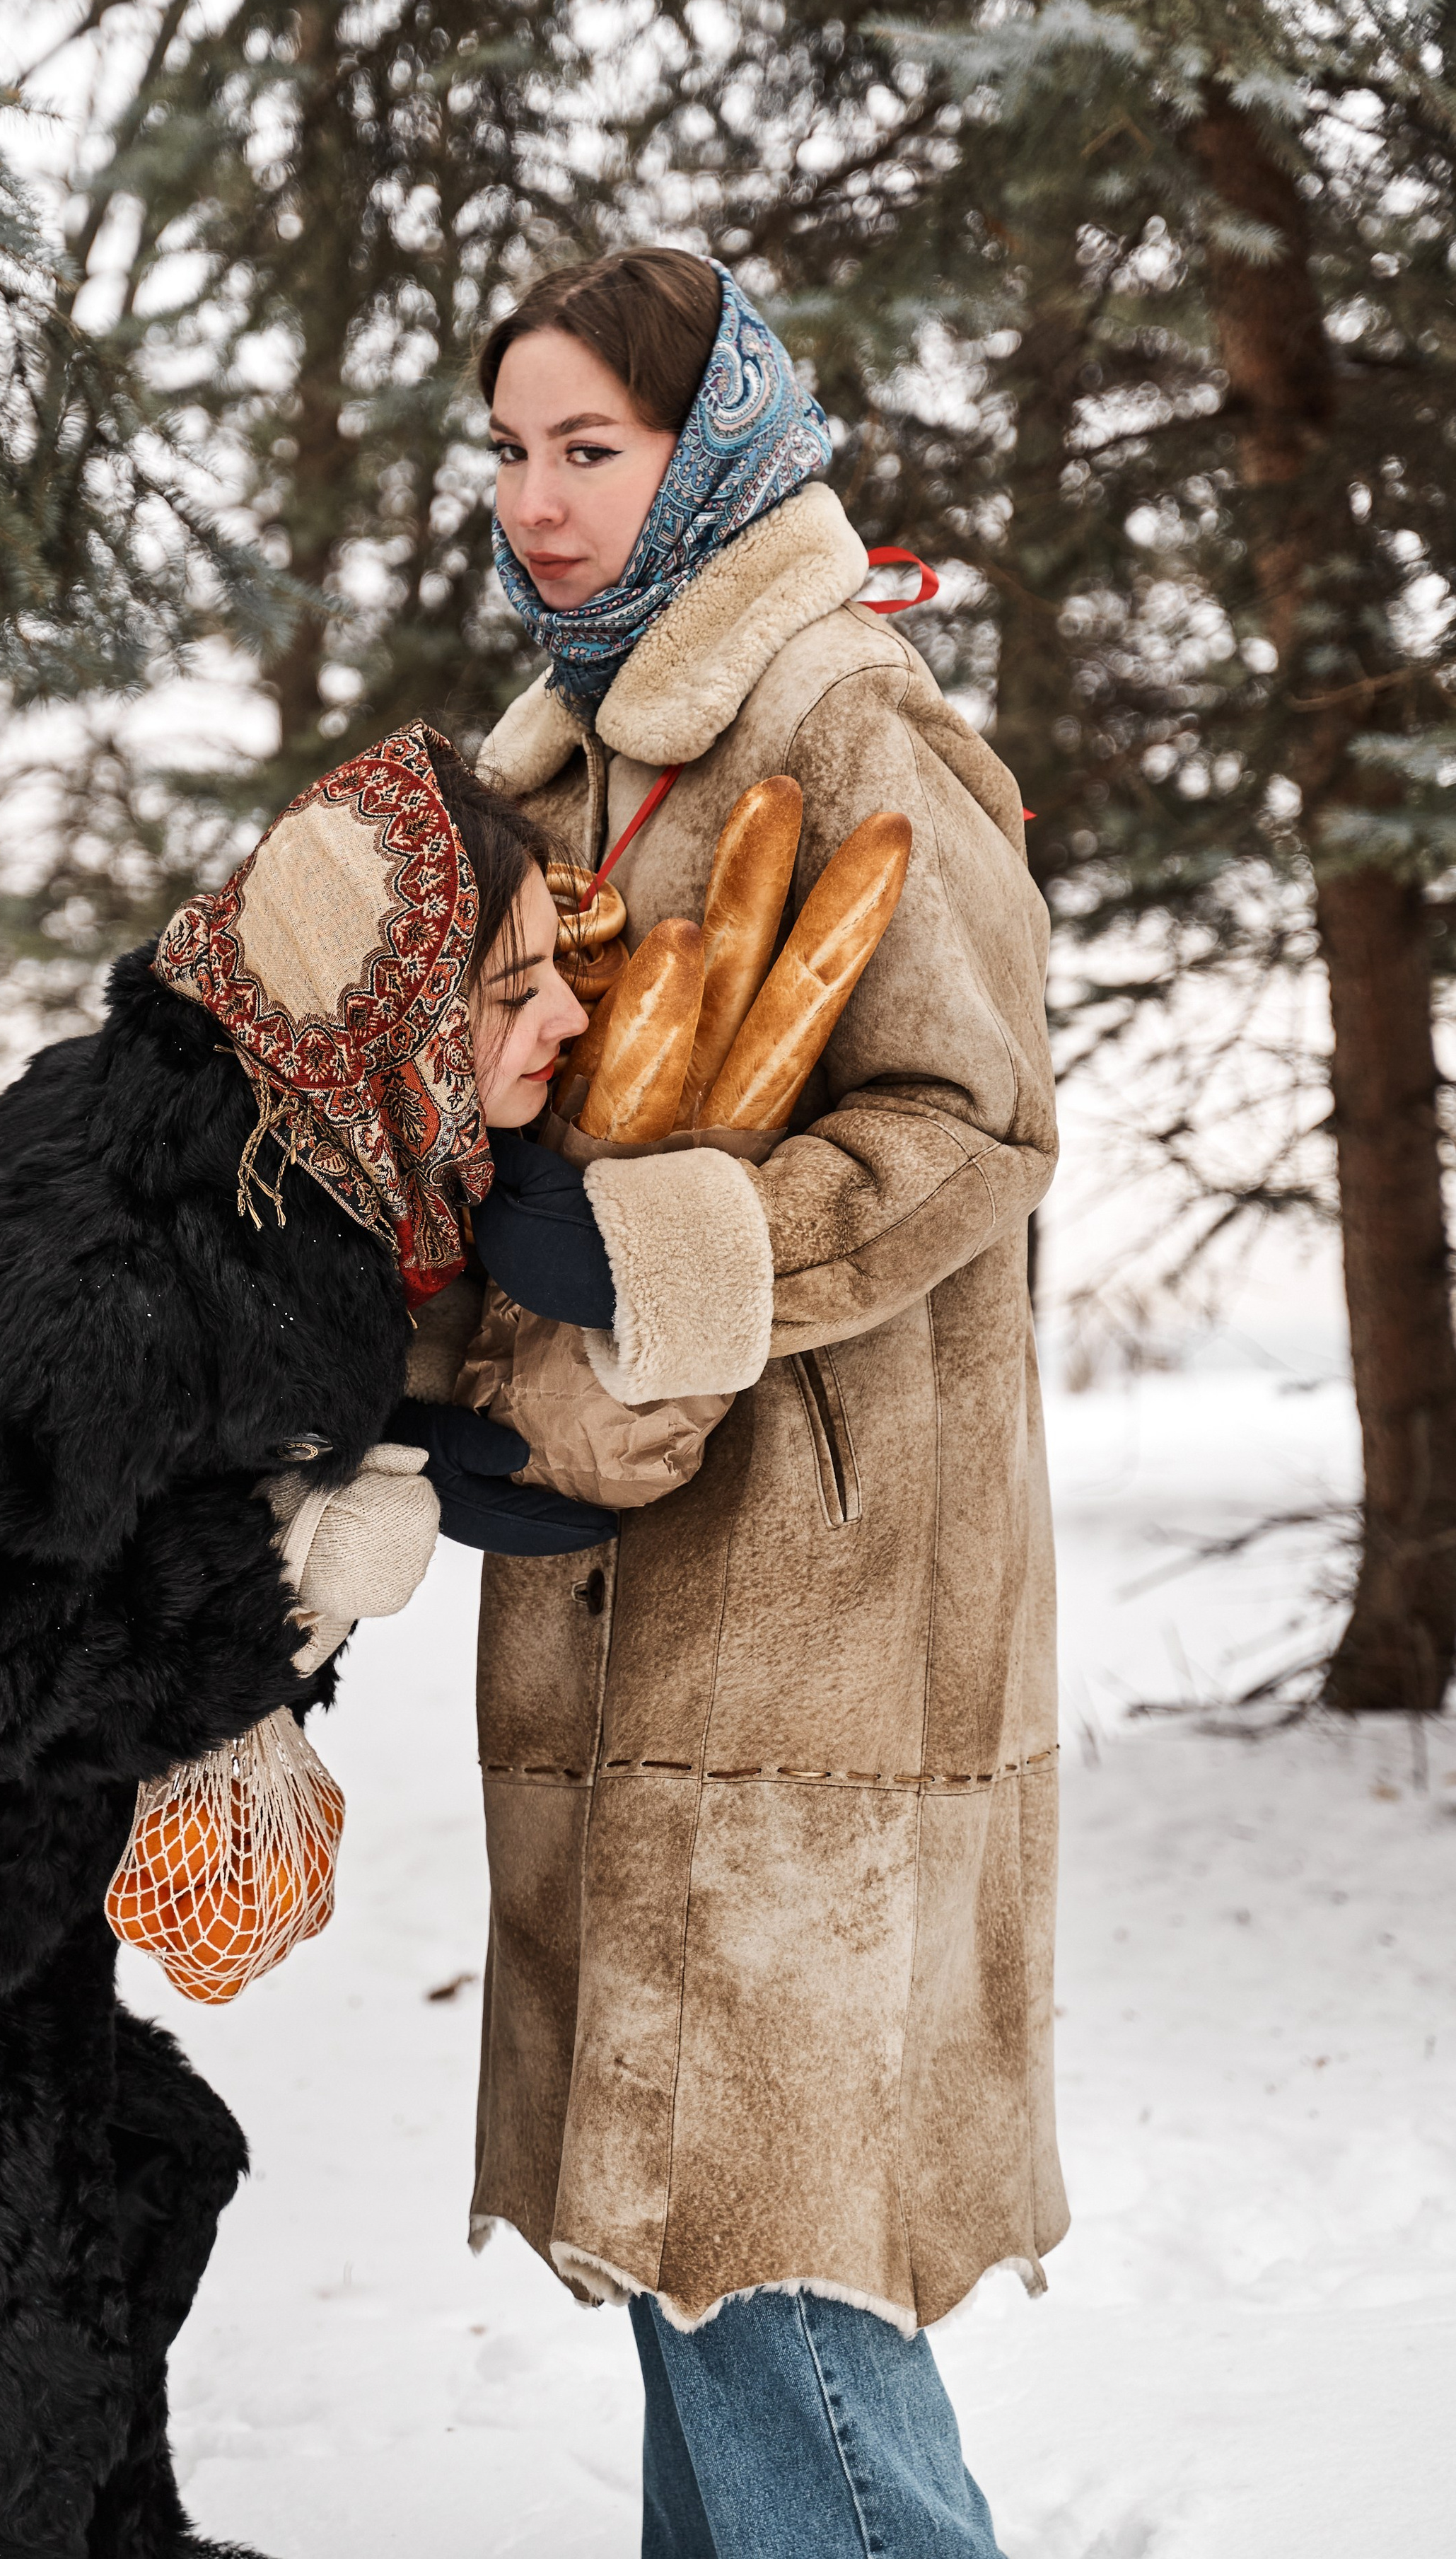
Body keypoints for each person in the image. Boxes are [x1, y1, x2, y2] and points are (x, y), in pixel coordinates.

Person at [0, 721, 601, 2558]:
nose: (554, 1028)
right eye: (514, 986)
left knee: (114, 2189)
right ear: (382, 998)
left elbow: (75, 1529)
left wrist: (306, 1546)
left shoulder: (266, 1177)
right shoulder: (135, 1241)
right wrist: (267, 1594)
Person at [450, 247, 1066, 2555]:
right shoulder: (585, 757)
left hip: (814, 1645)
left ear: (710, 449)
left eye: (589, 448)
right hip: (618, 1598)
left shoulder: (846, 720)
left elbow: (975, 1123)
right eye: (509, 452)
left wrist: (658, 1254)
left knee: (780, 2309)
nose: (537, 498)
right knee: (689, 2291)